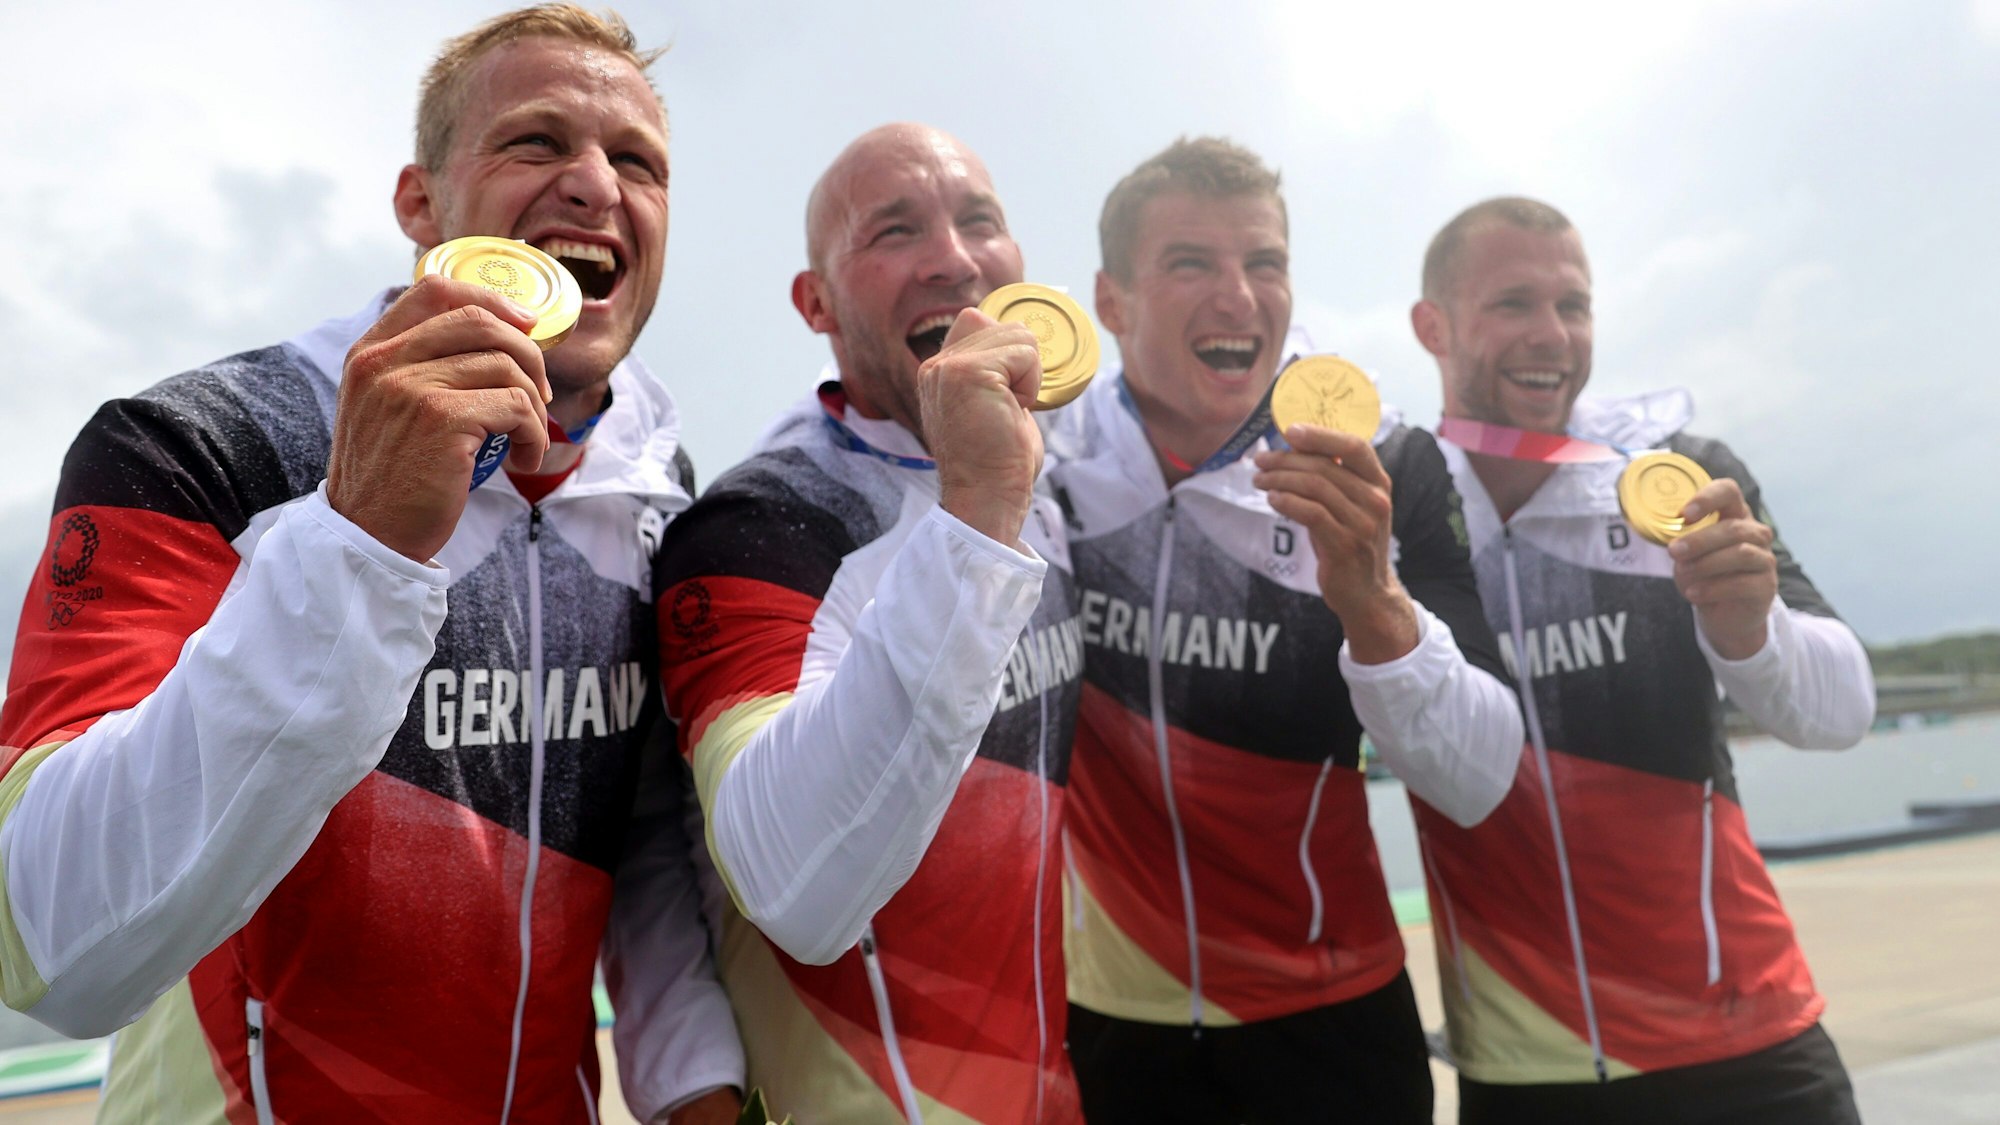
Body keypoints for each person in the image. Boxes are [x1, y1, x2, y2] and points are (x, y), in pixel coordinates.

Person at [0, 7, 743, 1122]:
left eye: (638, 161)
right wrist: (357, 538)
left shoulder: (659, 482)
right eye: (536, 142)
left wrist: (699, 1086)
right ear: (420, 203)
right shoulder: (193, 443)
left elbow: (635, 833)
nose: (596, 185)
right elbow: (52, 947)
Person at [1043, 136, 1524, 1124]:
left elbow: (1479, 777)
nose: (1239, 297)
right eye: (1190, 263)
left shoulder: (1383, 457)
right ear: (1110, 300)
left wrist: (1372, 601)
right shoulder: (1044, 461)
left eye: (1263, 263)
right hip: (1107, 1022)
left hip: (1328, 1018)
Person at [1407, 196, 1876, 1124]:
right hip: (1523, 1063)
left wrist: (1752, 626)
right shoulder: (1399, 505)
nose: (1553, 335)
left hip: (1744, 1039)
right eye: (1512, 303)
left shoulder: (1678, 472)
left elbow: (1841, 708)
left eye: (1573, 306)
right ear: (1434, 325)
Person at [652, 122, 1083, 1122]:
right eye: (894, 232)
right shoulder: (759, 522)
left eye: (980, 222)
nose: (955, 259)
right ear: (816, 302)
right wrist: (974, 511)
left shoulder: (1043, 471)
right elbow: (793, 888)